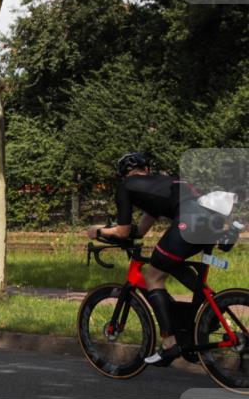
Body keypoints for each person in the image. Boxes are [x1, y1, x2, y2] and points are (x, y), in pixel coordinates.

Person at [86, 152, 229, 367]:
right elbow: (140, 231)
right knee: (172, 264)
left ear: (124, 174)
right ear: (146, 169)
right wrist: (119, 232)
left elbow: (124, 232)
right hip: (211, 219)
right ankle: (206, 318)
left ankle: (169, 344)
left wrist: (98, 232)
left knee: (152, 274)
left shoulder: (126, 186)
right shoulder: (161, 183)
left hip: (189, 220)